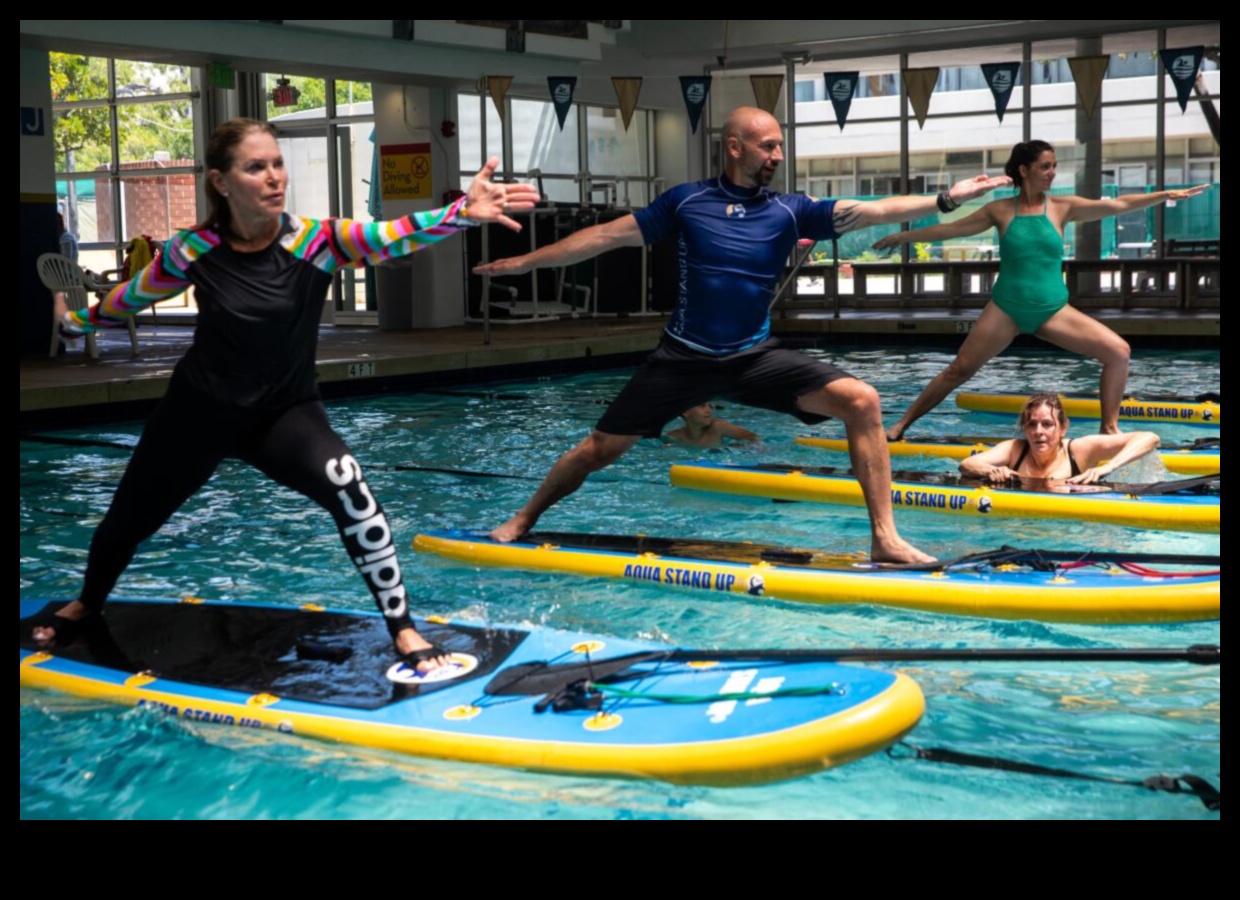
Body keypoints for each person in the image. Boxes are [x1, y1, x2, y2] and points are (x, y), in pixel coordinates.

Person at [28, 117, 540, 673]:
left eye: (277, 164)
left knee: (353, 492)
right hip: (199, 412)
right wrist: (76, 323)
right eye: (256, 167)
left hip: (283, 413)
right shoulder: (192, 250)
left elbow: (391, 237)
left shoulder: (315, 241)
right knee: (125, 522)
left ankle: (404, 630)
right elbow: (129, 298)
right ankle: (87, 602)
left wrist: (459, 213)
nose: (274, 177)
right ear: (222, 182)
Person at [475, 106, 1012, 563]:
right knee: (598, 450)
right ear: (735, 147)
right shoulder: (686, 202)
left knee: (862, 400)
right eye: (768, 147)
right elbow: (603, 237)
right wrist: (526, 261)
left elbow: (872, 209)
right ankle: (523, 518)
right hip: (684, 357)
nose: (777, 156)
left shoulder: (789, 209)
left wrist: (946, 198)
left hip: (753, 356)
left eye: (780, 147)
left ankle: (885, 537)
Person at [875, 140, 1210, 439]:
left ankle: (1109, 428)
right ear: (1024, 170)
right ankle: (900, 426)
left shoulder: (1063, 208)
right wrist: (901, 237)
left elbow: (1118, 205)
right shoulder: (1000, 210)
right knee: (958, 370)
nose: (1051, 173)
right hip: (1006, 309)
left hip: (1052, 310)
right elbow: (949, 230)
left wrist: (1163, 195)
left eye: (1054, 167)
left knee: (1118, 352)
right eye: (1044, 166)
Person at [958, 392, 1159, 485]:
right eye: (1032, 425)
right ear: (1025, 430)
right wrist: (992, 469)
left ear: (1063, 428)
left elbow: (1150, 438)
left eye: (1047, 424)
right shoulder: (1014, 449)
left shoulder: (1080, 450)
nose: (1038, 431)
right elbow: (968, 464)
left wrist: (1108, 467)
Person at [666, 402, 760, 449]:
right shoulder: (674, 437)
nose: (709, 410)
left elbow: (754, 438)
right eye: (702, 406)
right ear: (686, 412)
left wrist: (735, 449)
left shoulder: (718, 427)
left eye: (710, 406)